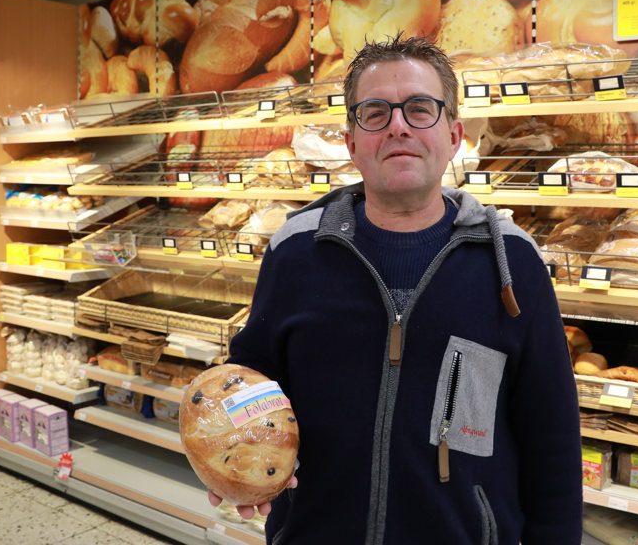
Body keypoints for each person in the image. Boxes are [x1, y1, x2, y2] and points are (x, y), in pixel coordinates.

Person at [220, 33, 583, 544]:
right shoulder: (296, 251)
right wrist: (229, 452)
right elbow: (250, 385)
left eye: (419, 109)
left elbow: (553, 439)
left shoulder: (512, 264)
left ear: (455, 135)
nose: (397, 127)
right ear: (351, 142)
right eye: (374, 113)